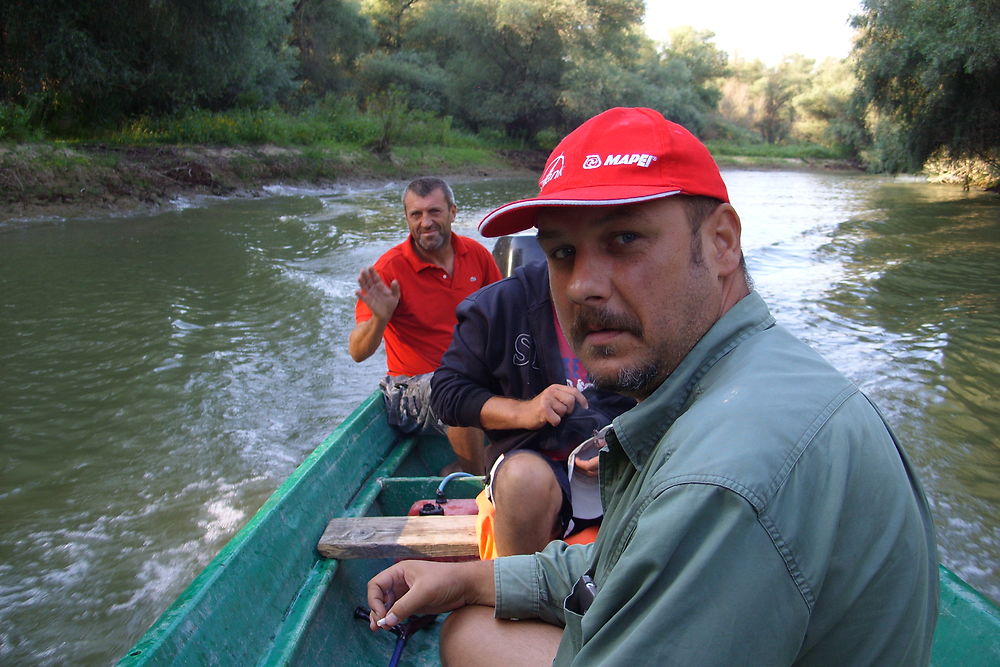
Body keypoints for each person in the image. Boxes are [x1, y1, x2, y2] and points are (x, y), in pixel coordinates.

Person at [366, 108, 939, 665]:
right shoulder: (736, 375)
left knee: (471, 636)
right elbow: (612, 565)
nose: (581, 286)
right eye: (563, 253)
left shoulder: (720, 478)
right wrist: (462, 577)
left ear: (721, 243)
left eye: (624, 240)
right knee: (469, 625)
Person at [431, 259, 636, 556]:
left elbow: (679, 384)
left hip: (620, 462)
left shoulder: (639, 295)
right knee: (523, 479)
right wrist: (527, 411)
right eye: (565, 251)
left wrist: (628, 439)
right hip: (531, 461)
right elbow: (448, 393)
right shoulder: (498, 307)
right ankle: (521, 591)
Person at [349, 177, 503, 474]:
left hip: (470, 375)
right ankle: (475, 477)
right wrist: (380, 318)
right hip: (409, 391)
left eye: (434, 212)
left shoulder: (477, 255)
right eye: (416, 214)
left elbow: (504, 318)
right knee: (456, 383)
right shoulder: (389, 269)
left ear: (453, 212)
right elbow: (357, 352)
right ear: (407, 218)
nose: (425, 222)